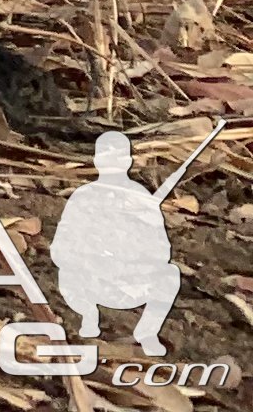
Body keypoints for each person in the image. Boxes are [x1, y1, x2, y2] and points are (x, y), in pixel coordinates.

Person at [49, 130, 184, 354]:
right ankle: (88, 317)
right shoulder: (83, 196)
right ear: (96, 160)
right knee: (67, 273)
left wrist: (135, 254)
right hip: (91, 280)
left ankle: (147, 333)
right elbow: (60, 246)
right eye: (105, 156)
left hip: (132, 282)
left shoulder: (141, 198)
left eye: (118, 156)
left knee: (170, 274)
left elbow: (162, 250)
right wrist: (91, 255)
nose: (111, 163)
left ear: (128, 161)